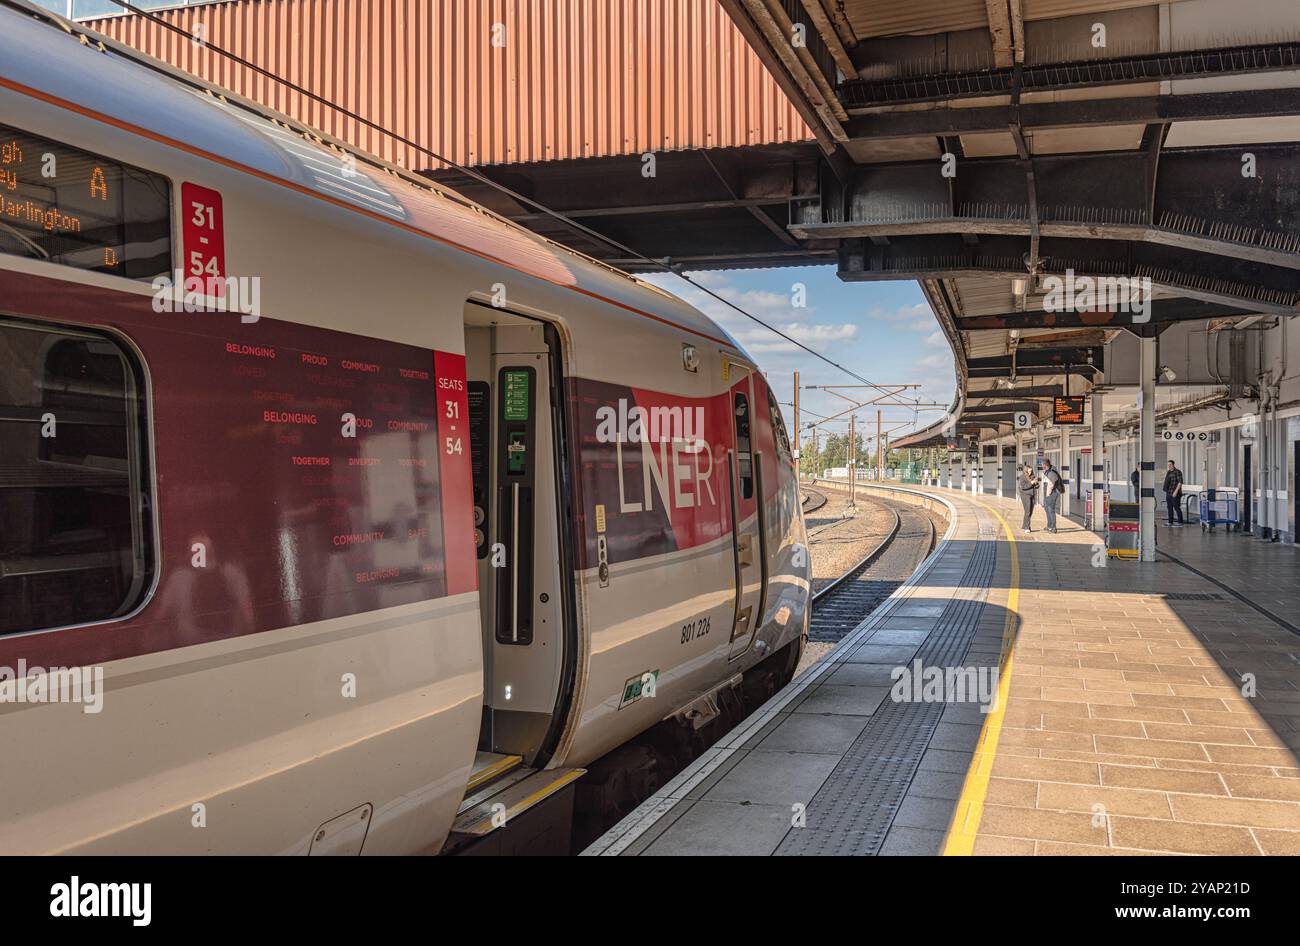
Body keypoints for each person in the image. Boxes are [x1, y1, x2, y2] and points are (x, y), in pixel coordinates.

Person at [1042, 458, 1064, 533]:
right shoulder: (1047, 471)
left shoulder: (1052, 472)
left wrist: (1048, 494)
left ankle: (1053, 527)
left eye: (1042, 464)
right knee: (1047, 508)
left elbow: (1051, 485)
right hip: (1048, 493)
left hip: (1052, 493)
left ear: (1045, 465)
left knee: (1051, 509)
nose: (1042, 466)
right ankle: (1049, 526)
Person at [1163, 460, 1185, 526]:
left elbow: (1180, 482)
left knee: (1176, 507)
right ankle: (1170, 522)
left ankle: (1180, 522)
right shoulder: (1168, 472)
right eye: (1168, 465)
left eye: (1170, 464)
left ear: (1173, 465)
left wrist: (1175, 492)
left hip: (1175, 493)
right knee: (1169, 507)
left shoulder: (1178, 472)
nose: (1169, 466)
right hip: (1168, 493)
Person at [1018, 463, 1039, 533]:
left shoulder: (1032, 476)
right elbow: (1023, 487)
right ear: (1025, 471)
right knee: (1028, 511)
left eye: (1031, 471)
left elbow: (1036, 486)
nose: (1030, 473)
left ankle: (1024, 525)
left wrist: (1036, 484)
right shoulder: (1022, 477)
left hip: (1032, 495)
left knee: (1030, 511)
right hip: (1025, 496)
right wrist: (1031, 483)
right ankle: (1027, 527)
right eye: (1029, 471)